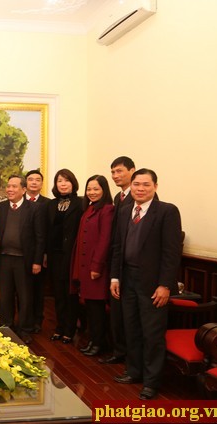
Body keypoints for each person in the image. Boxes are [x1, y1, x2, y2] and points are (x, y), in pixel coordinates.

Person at [110, 168, 182, 400]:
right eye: (137, 184)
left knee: (152, 334)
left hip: (153, 284)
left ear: (155, 187)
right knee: (131, 328)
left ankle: (151, 382)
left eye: (146, 185)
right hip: (127, 278)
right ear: (131, 186)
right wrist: (115, 277)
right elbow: (118, 247)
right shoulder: (123, 210)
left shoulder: (167, 212)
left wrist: (165, 285)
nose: (140, 189)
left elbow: (172, 253)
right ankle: (134, 371)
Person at [0, 175, 45, 344]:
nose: (10, 189)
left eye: (14, 187)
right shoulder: (0, 207)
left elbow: (40, 237)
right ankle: (6, 327)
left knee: (25, 296)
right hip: (4, 259)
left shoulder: (34, 208)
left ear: (23, 190)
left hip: (24, 260)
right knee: (6, 296)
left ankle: (24, 329)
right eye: (8, 186)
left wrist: (37, 261)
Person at [70, 175, 114, 357]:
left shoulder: (107, 210)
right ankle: (94, 341)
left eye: (96, 189)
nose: (92, 192)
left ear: (104, 190)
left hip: (96, 268)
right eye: (89, 189)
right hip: (84, 265)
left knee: (97, 308)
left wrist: (96, 266)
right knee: (90, 306)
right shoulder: (88, 209)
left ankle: (99, 343)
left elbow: (105, 240)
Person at [100, 156, 135, 364]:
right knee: (117, 311)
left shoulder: (140, 197)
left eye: (120, 171)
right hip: (116, 260)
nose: (115, 176)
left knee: (128, 315)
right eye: (113, 172)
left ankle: (129, 356)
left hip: (131, 263)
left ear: (132, 171)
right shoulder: (118, 197)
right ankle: (119, 350)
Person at [46, 168, 82, 344]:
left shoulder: (81, 203)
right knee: (58, 293)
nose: (63, 184)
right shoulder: (51, 204)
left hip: (72, 255)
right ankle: (60, 327)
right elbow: (47, 231)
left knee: (70, 294)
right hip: (54, 255)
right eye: (60, 181)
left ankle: (70, 329)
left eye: (66, 180)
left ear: (73, 183)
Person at [25, 169, 50, 333]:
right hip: (21, 254)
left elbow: (48, 232)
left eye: (37, 180)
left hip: (39, 253)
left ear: (42, 183)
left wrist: (43, 255)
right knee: (23, 289)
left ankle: (36, 321)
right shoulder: (18, 202)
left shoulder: (48, 204)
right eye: (30, 179)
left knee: (38, 289)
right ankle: (23, 319)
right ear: (25, 183)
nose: (34, 182)